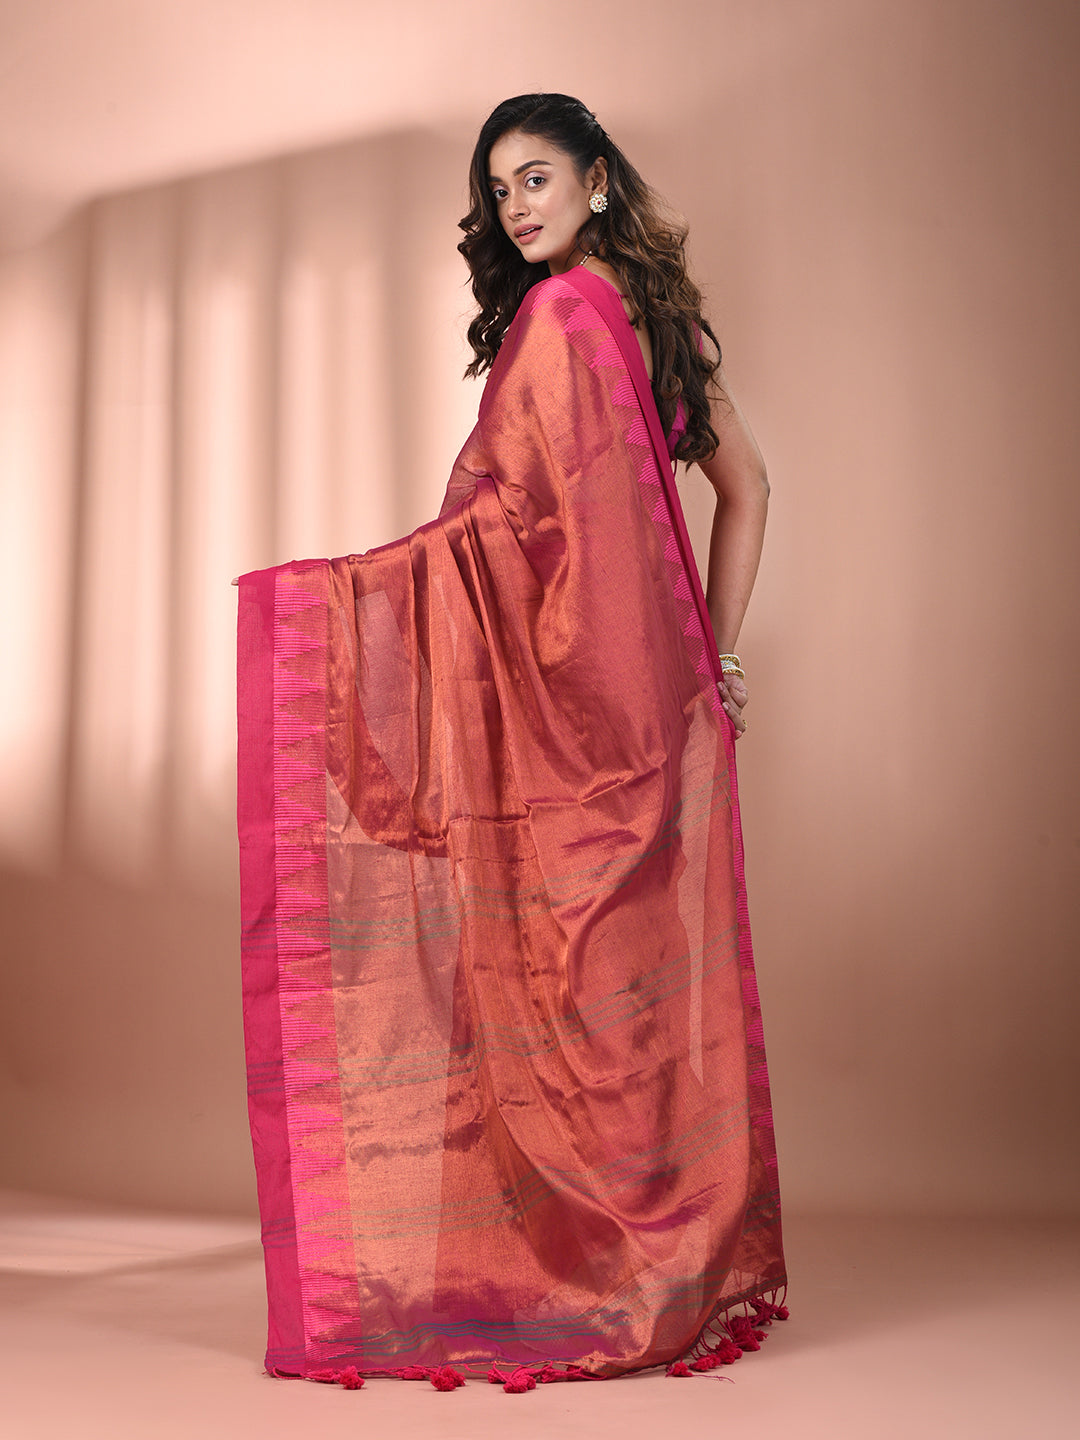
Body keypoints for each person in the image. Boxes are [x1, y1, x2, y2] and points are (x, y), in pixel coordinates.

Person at [236, 93, 786, 1392]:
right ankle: (671, 1269)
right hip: (655, 707)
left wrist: (342, 613)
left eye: (537, 177)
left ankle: (601, 1279)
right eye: (500, 190)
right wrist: (711, 662)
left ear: (597, 178)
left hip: (578, 716)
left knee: (560, 983)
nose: (517, 206)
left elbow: (496, 529)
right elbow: (750, 487)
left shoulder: (560, 319)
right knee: (633, 985)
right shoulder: (655, 320)